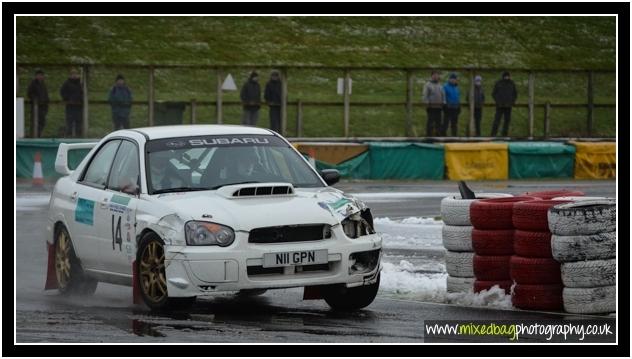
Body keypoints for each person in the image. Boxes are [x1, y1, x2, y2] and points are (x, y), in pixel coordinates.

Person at [491, 71, 518, 137]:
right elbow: (493, 93)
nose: (506, 77)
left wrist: (512, 102)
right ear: (503, 76)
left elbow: (515, 94)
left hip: (508, 106)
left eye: (507, 76)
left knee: (507, 121)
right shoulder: (498, 83)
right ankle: (493, 134)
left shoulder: (512, 83)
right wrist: (498, 101)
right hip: (500, 105)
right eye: (505, 76)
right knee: (497, 120)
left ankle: (504, 135)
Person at [60, 68, 84, 137]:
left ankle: (78, 135)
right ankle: (69, 134)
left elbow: (83, 93)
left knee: (78, 121)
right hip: (70, 105)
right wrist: (67, 99)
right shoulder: (67, 83)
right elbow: (62, 92)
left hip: (79, 105)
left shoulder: (80, 83)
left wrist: (81, 99)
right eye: (72, 74)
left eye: (75, 74)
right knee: (69, 121)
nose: (74, 75)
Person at [422, 70, 446, 137]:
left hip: (439, 107)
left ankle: (438, 137)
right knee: (430, 123)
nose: (436, 76)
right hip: (431, 107)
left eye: (437, 75)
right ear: (431, 76)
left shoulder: (440, 85)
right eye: (434, 75)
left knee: (438, 123)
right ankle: (429, 136)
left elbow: (443, 95)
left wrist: (444, 102)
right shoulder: (427, 85)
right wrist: (426, 104)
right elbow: (425, 95)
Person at [27, 69, 49, 137]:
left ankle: (39, 134)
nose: (40, 77)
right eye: (38, 75)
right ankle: (34, 135)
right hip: (36, 107)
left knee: (42, 122)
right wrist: (35, 99)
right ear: (36, 76)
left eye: (41, 75)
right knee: (35, 122)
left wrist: (47, 101)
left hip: (43, 106)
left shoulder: (43, 84)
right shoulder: (33, 83)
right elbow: (29, 93)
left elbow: (45, 94)